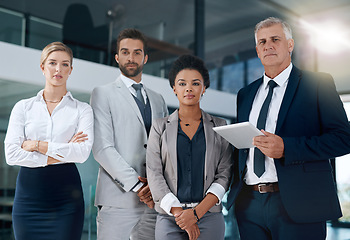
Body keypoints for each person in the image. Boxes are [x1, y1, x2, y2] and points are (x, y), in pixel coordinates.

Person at [226, 17, 350, 240]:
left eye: (275, 39)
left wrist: (287, 148)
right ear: (257, 50)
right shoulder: (245, 94)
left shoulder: (318, 83)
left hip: (301, 202)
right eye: (262, 42)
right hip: (249, 204)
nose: (268, 45)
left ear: (290, 45)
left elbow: (344, 138)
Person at [4, 41, 93, 240]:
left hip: (66, 200)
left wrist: (36, 146)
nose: (58, 69)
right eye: (53, 63)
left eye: (65, 64)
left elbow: (82, 153)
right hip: (29, 199)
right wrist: (64, 151)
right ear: (43, 67)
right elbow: (11, 155)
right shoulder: (23, 108)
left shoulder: (82, 109)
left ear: (71, 69)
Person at [90, 28, 168, 240]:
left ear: (145, 57)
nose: (131, 58)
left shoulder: (158, 99)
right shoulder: (102, 94)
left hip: (155, 201)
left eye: (136, 52)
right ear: (117, 57)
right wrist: (138, 185)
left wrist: (156, 187)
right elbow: (102, 148)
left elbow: (165, 147)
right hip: (118, 199)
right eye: (125, 52)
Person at [146, 54, 233, 240]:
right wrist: (180, 214)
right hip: (169, 217)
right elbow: (154, 173)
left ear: (204, 88)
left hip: (209, 216)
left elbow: (225, 174)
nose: (188, 89)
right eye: (182, 83)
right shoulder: (159, 127)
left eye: (195, 83)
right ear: (174, 88)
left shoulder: (220, 126)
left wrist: (195, 214)